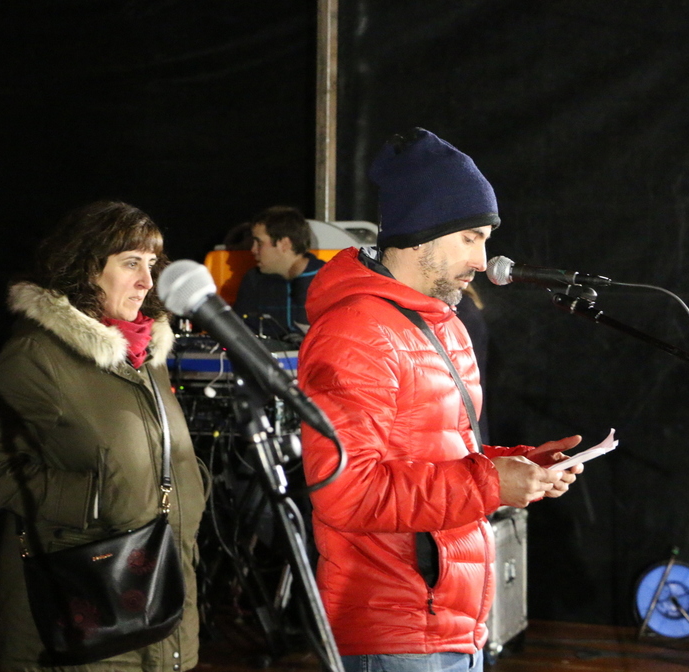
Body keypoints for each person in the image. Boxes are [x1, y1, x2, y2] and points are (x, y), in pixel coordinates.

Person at [297, 129, 583, 672]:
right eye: (471, 238)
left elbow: (439, 454)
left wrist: (518, 465)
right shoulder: (357, 331)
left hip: (449, 621)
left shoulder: (440, 322)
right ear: (419, 234)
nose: (483, 259)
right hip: (395, 627)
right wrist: (492, 484)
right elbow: (346, 492)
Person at [0, 200, 206, 672]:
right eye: (131, 263)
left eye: (152, 264)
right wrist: (98, 499)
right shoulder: (37, 355)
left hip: (166, 603)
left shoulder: (147, 356)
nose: (147, 281)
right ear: (86, 267)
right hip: (87, 618)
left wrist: (194, 488)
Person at [232, 205, 324, 340]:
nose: (253, 250)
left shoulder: (332, 280)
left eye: (259, 243)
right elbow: (238, 334)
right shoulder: (253, 280)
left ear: (285, 244)